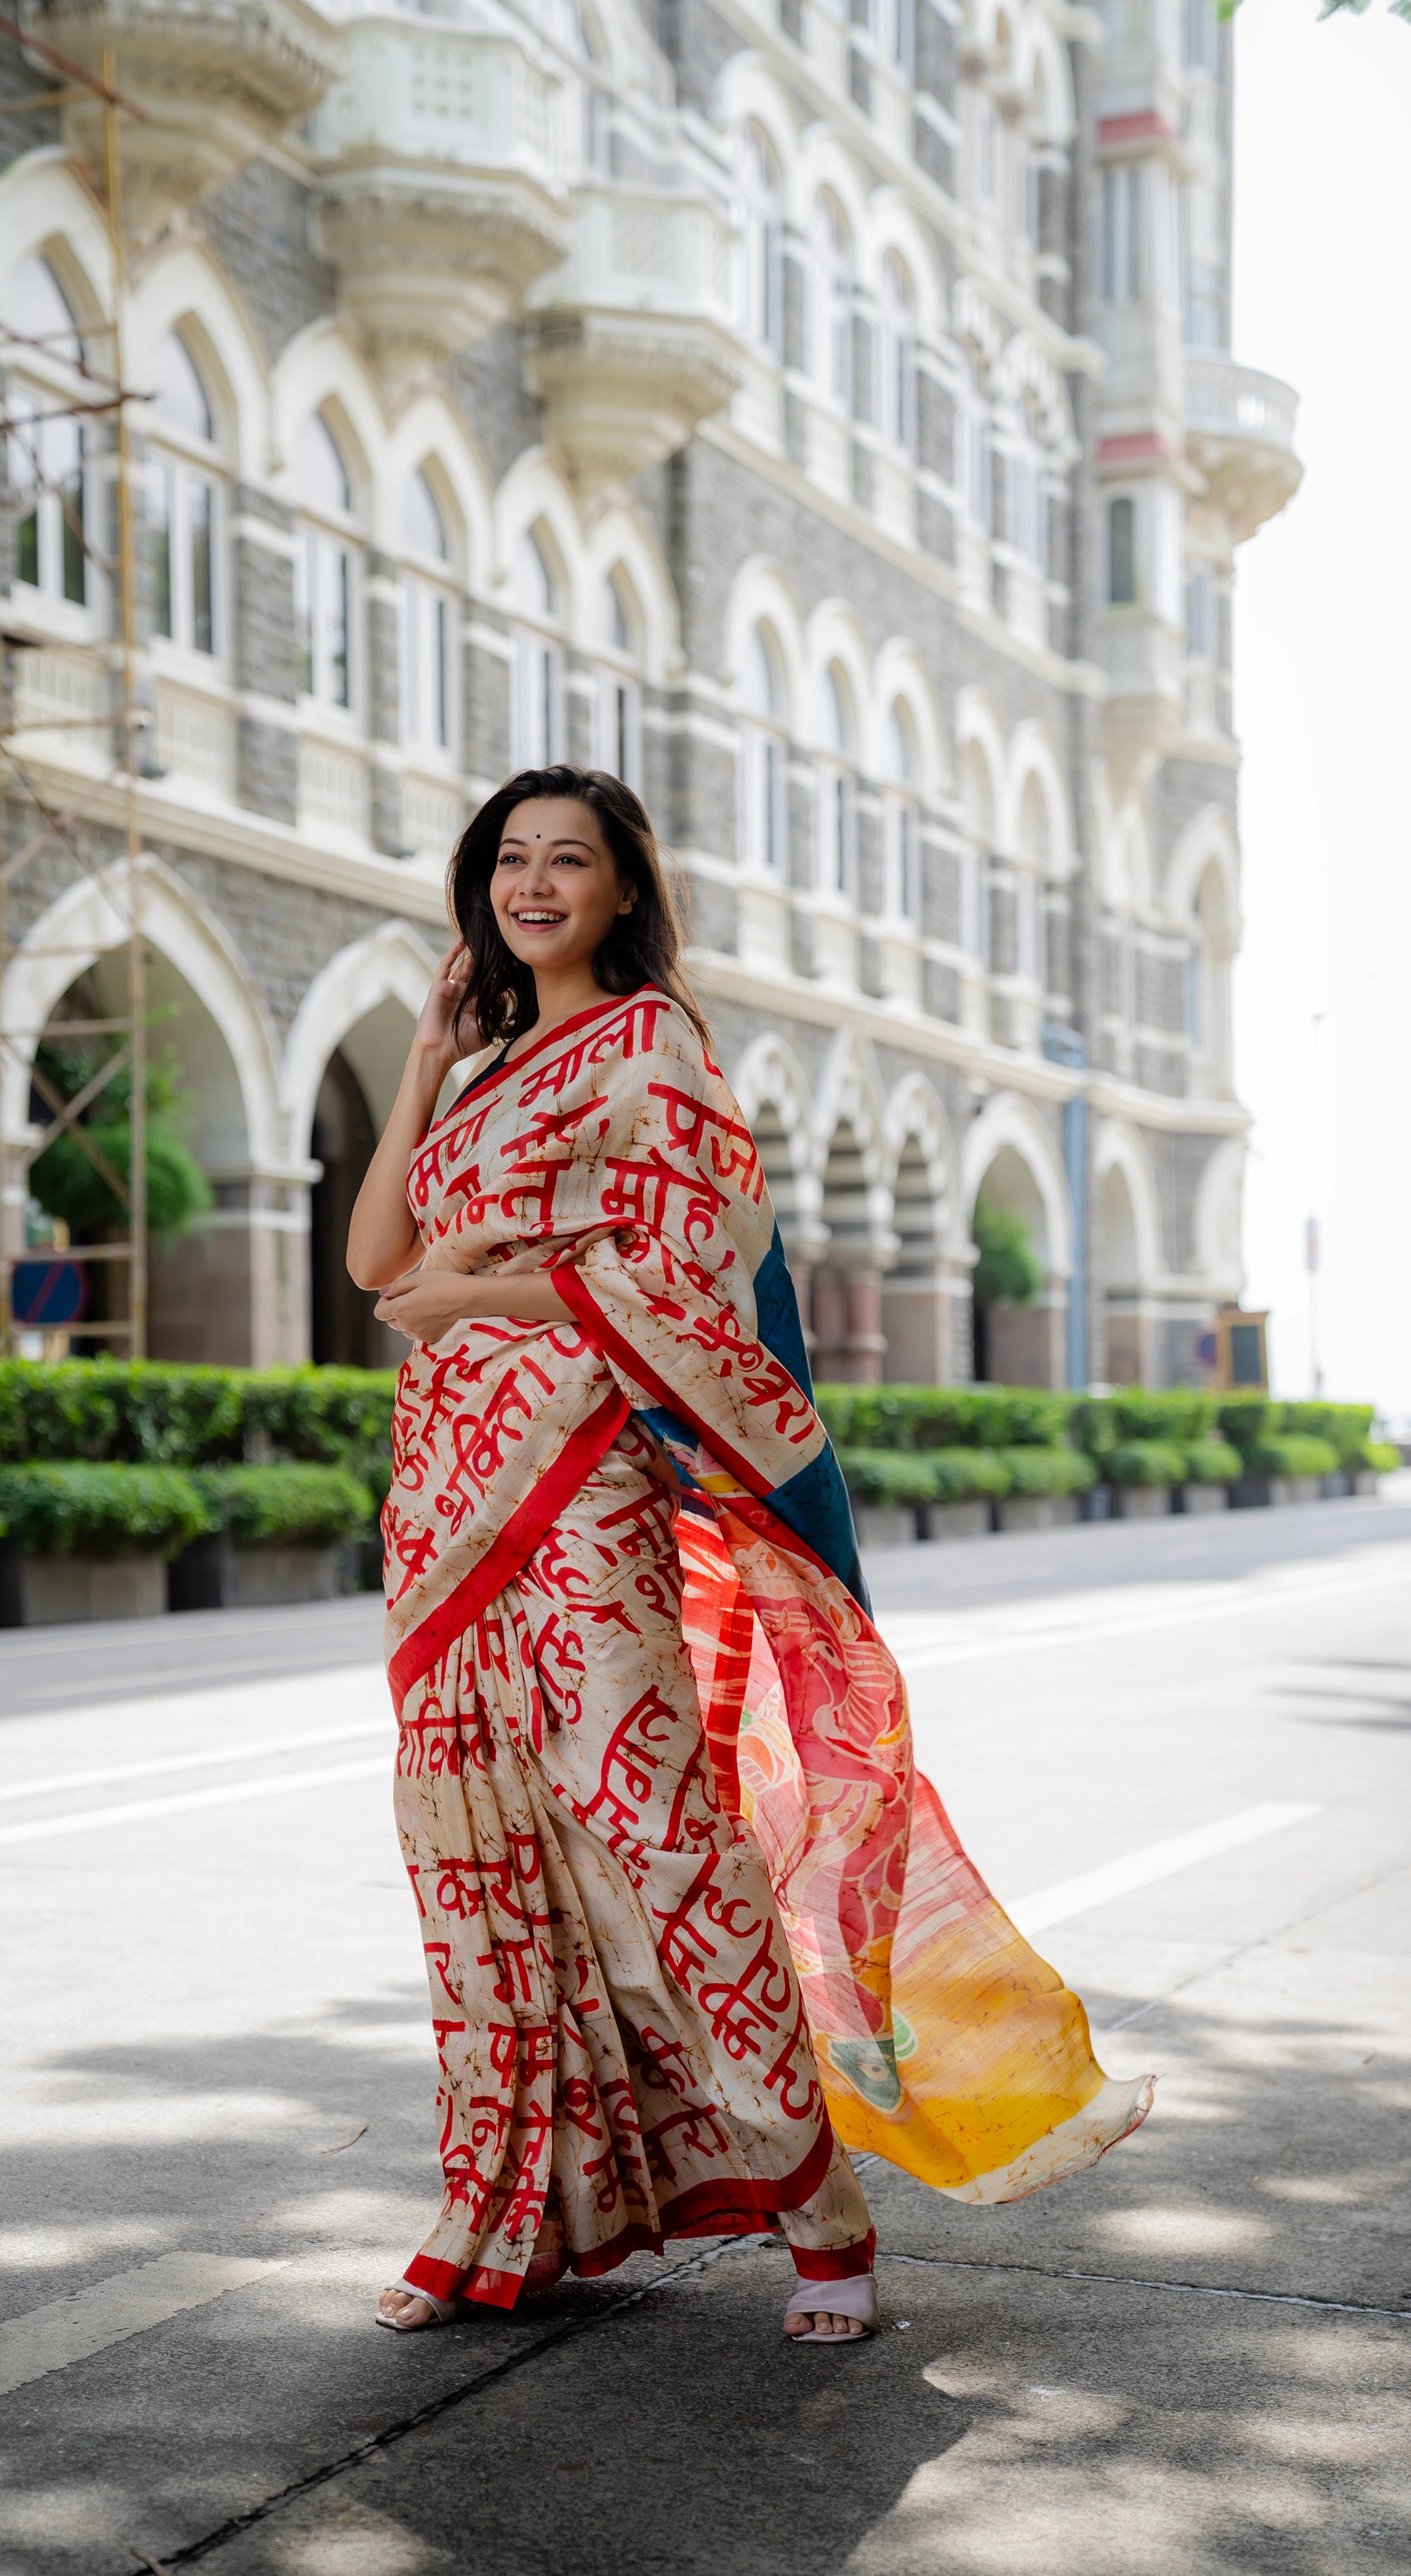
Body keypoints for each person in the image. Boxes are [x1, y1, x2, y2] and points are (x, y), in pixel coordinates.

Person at [348, 766, 1151, 2346]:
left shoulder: (656, 1051)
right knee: (475, 1857)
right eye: (509, 858)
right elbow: (379, 1260)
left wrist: (488, 1300)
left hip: (582, 1501)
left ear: (625, 890)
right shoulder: (483, 1061)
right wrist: (430, 1058)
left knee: (660, 1843)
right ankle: (497, 2206)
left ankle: (823, 2216)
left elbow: (695, 1280)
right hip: (445, 1512)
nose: (532, 883)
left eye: (567, 859)